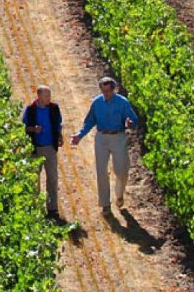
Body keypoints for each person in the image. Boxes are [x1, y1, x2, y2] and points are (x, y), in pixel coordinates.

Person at [71, 76, 138, 214]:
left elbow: (134, 119)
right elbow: (90, 121)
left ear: (113, 89)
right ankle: (105, 204)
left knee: (121, 171)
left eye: (108, 91)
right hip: (101, 137)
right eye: (103, 91)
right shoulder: (96, 103)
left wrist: (130, 123)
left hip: (118, 137)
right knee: (101, 171)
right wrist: (80, 135)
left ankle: (119, 195)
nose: (106, 94)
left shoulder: (122, 102)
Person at [21, 84, 63, 217]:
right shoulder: (31, 110)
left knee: (52, 178)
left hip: (50, 148)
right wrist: (34, 129)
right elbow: (24, 128)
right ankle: (36, 207)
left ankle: (52, 208)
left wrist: (60, 136)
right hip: (35, 149)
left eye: (49, 95)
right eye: (46, 96)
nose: (48, 98)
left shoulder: (54, 108)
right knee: (34, 179)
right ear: (39, 96)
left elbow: (58, 124)